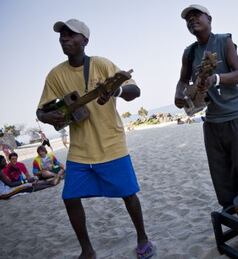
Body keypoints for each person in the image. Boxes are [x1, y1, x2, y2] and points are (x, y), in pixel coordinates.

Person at [36, 19, 155, 259]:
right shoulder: (55, 75)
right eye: (62, 36)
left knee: (128, 194)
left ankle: (143, 237)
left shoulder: (101, 65)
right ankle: (87, 250)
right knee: (69, 197)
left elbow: (135, 90)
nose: (64, 39)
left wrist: (116, 90)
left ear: (85, 41)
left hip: (112, 144)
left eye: (71, 35)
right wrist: (50, 116)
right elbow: (40, 111)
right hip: (80, 149)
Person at [174, 4, 238, 209]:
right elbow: (182, 80)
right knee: (222, 177)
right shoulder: (189, 52)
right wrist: (179, 94)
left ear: (209, 19)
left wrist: (215, 78)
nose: (192, 20)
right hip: (212, 122)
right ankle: (235, 217)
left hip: (236, 116)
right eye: (188, 19)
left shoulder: (224, 40)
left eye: (196, 15)